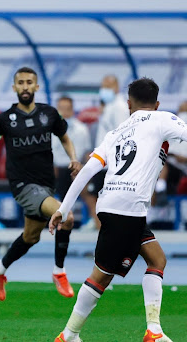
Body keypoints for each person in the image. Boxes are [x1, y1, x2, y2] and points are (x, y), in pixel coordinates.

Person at [50, 78, 175, 342]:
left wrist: (63, 208)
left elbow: (87, 171)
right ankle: (69, 335)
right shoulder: (163, 119)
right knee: (101, 276)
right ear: (158, 103)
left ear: (128, 104)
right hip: (128, 210)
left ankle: (154, 330)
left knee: (157, 260)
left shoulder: (115, 133)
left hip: (112, 205)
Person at [0, 67, 82, 301]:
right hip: (23, 185)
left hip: (45, 185)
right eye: (20, 83)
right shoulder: (4, 120)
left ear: (36, 86)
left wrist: (73, 158)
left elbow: (64, 137)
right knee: (67, 216)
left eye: (29, 82)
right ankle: (59, 271)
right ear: (14, 88)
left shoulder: (49, 114)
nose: (25, 86)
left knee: (31, 237)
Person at [84, 74, 131, 230]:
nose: (105, 90)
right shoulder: (109, 106)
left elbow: (122, 135)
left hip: (110, 164)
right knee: (95, 196)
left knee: (98, 197)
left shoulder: (119, 107)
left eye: (108, 87)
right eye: (103, 87)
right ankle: (102, 228)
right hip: (103, 162)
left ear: (117, 87)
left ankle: (104, 231)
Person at [51, 96, 96, 223]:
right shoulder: (49, 130)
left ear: (72, 110)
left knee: (88, 191)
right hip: (56, 170)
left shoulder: (81, 129)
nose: (64, 113)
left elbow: (86, 154)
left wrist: (87, 172)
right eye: (61, 109)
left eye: (67, 109)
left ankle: (97, 224)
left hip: (76, 170)